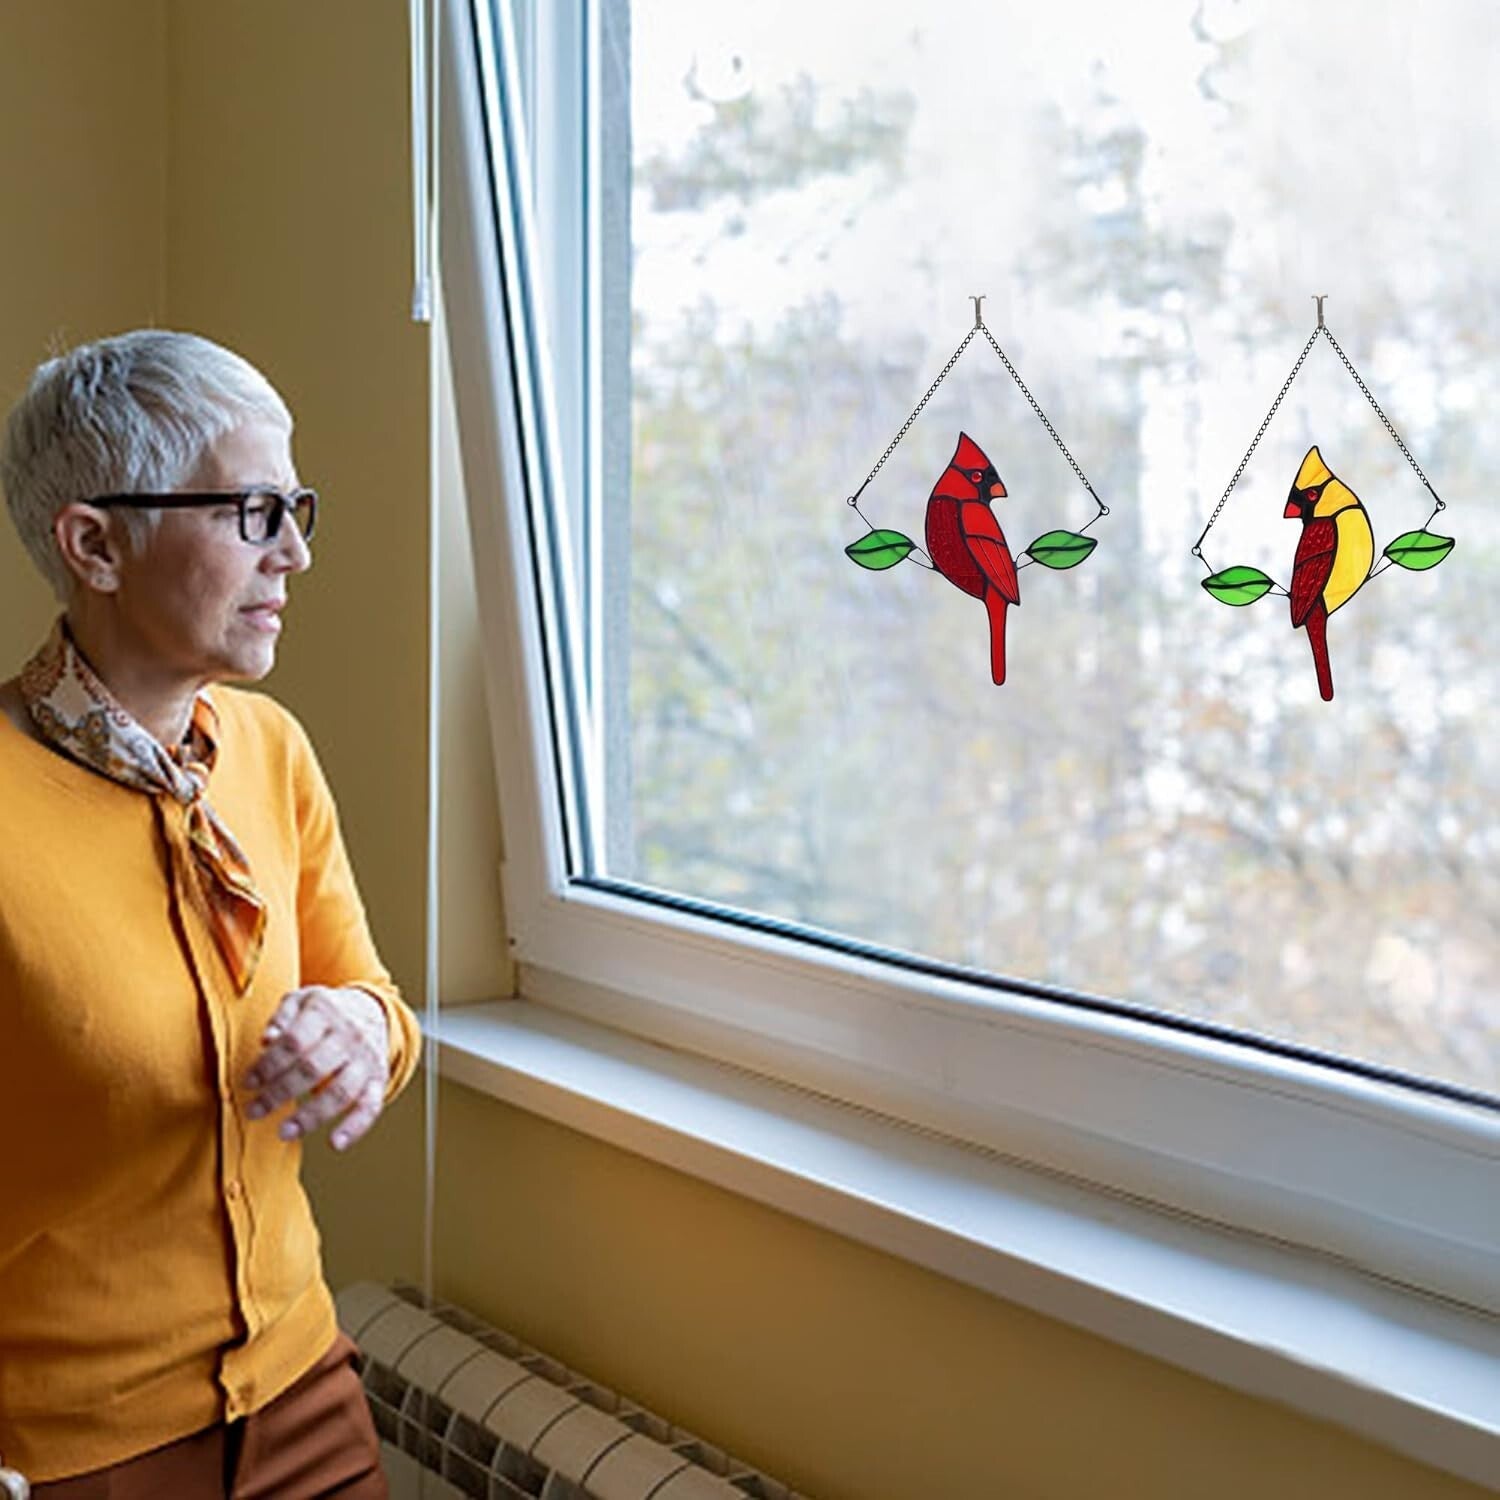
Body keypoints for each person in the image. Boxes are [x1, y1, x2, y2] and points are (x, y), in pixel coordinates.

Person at [0, 330, 422, 1497]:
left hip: (307, 1399)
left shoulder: (273, 751)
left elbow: (379, 1005)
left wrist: (357, 1031)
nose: (294, 552)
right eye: (251, 512)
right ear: (95, 544)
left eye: (296, 509)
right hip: (64, 1453)